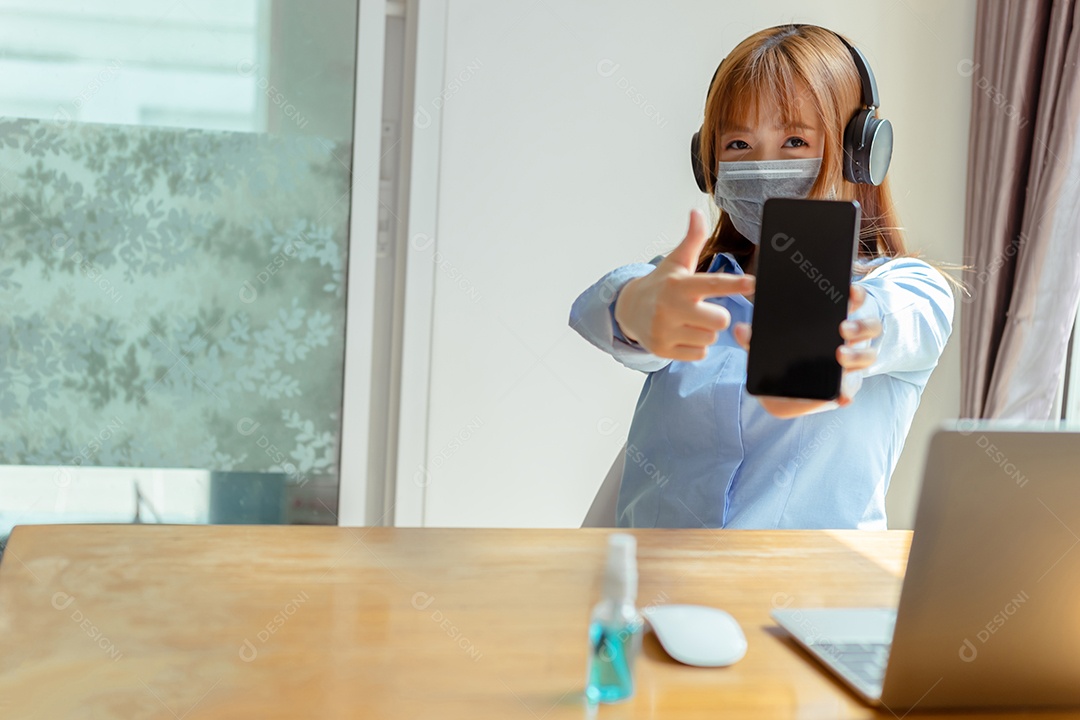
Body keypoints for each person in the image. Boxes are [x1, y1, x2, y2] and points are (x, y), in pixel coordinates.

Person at [569, 24, 954, 530]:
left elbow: (901, 319)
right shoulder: (691, 285)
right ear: (708, 164)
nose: (764, 165)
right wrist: (632, 309)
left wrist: (847, 333)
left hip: (809, 582)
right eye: (738, 143)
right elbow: (602, 307)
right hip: (656, 577)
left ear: (859, 154)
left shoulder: (909, 288)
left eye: (794, 140)